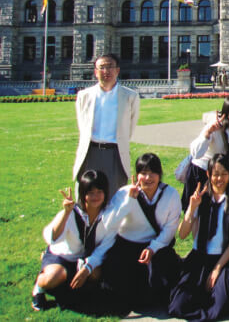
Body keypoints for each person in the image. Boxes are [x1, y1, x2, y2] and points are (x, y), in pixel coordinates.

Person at [169, 153, 229, 321]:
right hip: (200, 256)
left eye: (224, 174)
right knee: (177, 306)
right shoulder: (200, 198)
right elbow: (182, 235)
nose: (220, 178)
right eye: (215, 174)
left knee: (218, 307)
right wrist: (191, 209)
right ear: (208, 174)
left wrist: (217, 269)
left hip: (225, 259)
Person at [101, 153, 181, 310]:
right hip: (127, 245)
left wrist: (153, 248)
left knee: (159, 284)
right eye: (143, 173)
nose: (148, 178)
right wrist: (129, 201)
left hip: (155, 246)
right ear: (136, 175)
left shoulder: (170, 194)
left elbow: (170, 228)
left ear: (160, 175)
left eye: (153, 173)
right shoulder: (124, 193)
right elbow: (109, 224)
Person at [32, 170, 115, 312]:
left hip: (86, 259)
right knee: (51, 279)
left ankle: (71, 290)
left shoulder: (109, 215)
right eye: (90, 192)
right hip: (64, 256)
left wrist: (87, 268)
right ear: (83, 194)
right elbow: (52, 238)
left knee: (95, 275)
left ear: (106, 192)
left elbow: (105, 246)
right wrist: (65, 213)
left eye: (99, 191)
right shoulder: (72, 212)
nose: (95, 196)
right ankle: (39, 287)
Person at [73, 53, 140, 198]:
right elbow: (82, 126)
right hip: (90, 152)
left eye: (110, 67)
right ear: (95, 72)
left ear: (117, 70)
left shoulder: (130, 96)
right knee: (86, 198)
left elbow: (130, 128)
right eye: (102, 67)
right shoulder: (84, 96)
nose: (106, 71)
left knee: (115, 199)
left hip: (115, 153)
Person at [182, 94, 229, 210]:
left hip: (221, 175)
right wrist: (207, 133)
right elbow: (195, 153)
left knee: (220, 210)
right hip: (201, 172)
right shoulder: (216, 126)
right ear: (225, 113)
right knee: (195, 212)